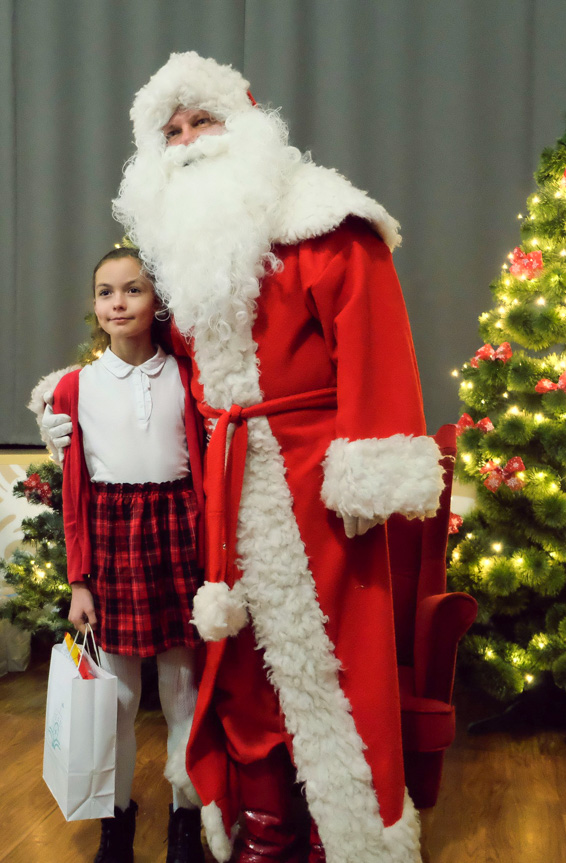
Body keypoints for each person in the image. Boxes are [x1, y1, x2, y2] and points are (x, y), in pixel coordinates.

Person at [41, 52, 445, 863]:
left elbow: (374, 347)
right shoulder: (185, 254)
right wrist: (68, 399)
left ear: (250, 124)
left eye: (204, 122)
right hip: (219, 485)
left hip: (316, 479)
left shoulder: (326, 226)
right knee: (238, 662)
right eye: (173, 130)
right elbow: (164, 366)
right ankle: (264, 822)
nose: (188, 142)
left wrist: (364, 467)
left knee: (335, 655)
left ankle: (352, 832)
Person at [47, 247, 206, 863]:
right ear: (95, 305)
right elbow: (75, 492)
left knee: (182, 689)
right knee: (115, 696)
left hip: (178, 536)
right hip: (113, 540)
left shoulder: (189, 377)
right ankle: (116, 818)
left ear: (156, 300)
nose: (118, 302)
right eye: (105, 292)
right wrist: (79, 580)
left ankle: (185, 817)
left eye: (132, 290)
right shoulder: (76, 386)